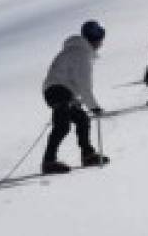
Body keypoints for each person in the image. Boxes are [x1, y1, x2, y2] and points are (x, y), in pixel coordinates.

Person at [40, 20, 109, 174]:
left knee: (82, 119)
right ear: (94, 39)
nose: (101, 43)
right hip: (59, 91)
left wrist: (76, 100)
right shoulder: (82, 54)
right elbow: (84, 86)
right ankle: (49, 161)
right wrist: (94, 107)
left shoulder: (75, 50)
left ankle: (87, 154)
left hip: (57, 90)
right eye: (100, 39)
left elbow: (71, 80)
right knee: (62, 125)